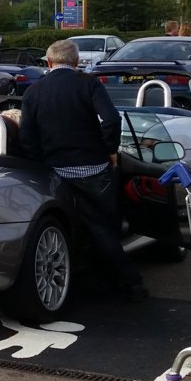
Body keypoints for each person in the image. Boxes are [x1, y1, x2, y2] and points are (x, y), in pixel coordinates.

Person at [20, 39, 148, 303]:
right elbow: (111, 119)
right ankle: (129, 283)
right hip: (94, 169)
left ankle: (83, 280)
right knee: (104, 227)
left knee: (74, 227)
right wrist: (109, 150)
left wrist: (40, 165)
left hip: (56, 171)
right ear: (76, 62)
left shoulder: (34, 92)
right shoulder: (88, 83)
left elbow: (27, 137)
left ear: (48, 62)